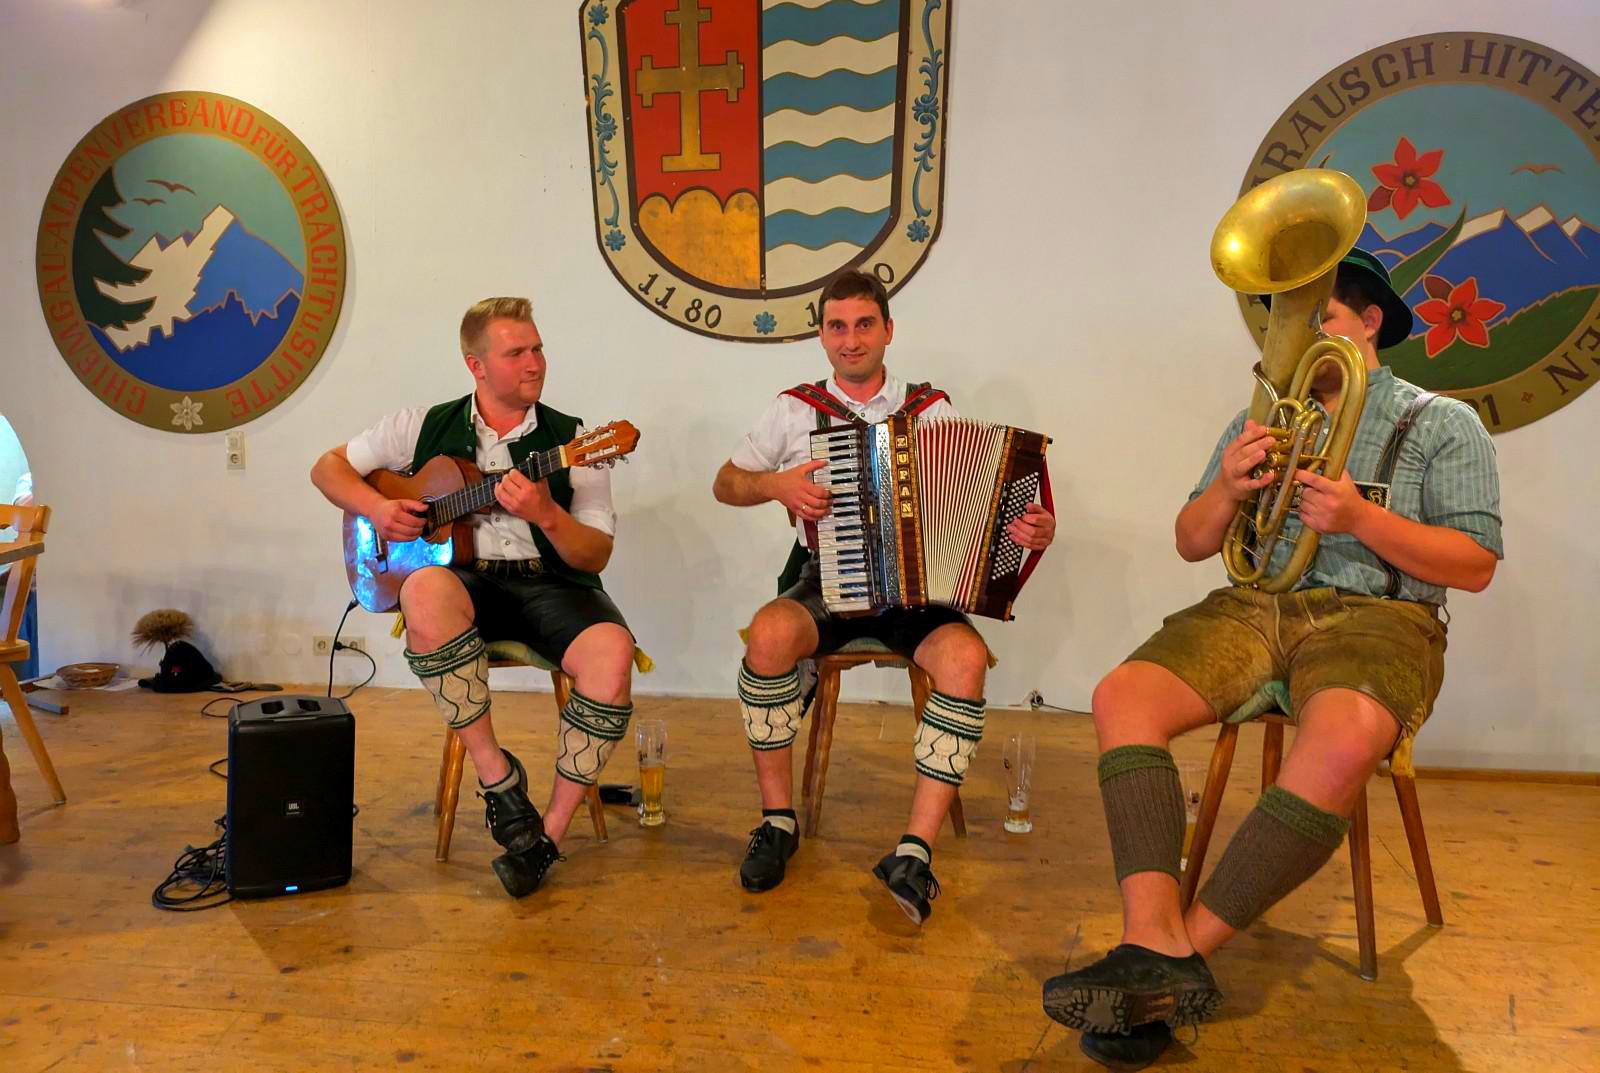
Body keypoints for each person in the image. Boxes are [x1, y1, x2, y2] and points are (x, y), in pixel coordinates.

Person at [1041, 249, 1503, 1068]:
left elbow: (1474, 565)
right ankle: (1151, 938)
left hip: (1381, 618)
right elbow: (1191, 542)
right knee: (1122, 696)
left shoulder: (1441, 421)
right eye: (1287, 322)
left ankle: (1182, 953)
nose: (1297, 338)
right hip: (1255, 607)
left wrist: (1361, 519)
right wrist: (1226, 489)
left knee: (1345, 738)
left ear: (1369, 322)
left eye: (1321, 317)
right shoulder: (1262, 417)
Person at [713, 270, 1057, 924]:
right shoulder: (794, 409)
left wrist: (1033, 527)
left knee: (966, 660)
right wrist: (777, 485)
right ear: (821, 334)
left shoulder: (931, 409)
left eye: (864, 324)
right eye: (837, 326)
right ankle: (777, 821)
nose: (851, 339)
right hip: (828, 578)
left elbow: (985, 506)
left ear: (888, 330)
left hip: (919, 592)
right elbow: (727, 483)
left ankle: (914, 851)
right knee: (768, 634)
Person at [311, 297, 637, 897]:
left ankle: (544, 838)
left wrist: (547, 515)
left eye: (538, 349)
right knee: (423, 589)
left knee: (613, 656)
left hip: (553, 583)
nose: (534, 363)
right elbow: (327, 469)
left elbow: (595, 555)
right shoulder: (420, 425)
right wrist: (378, 508)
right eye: (516, 353)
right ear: (476, 365)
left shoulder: (575, 440)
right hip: (468, 582)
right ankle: (498, 780)